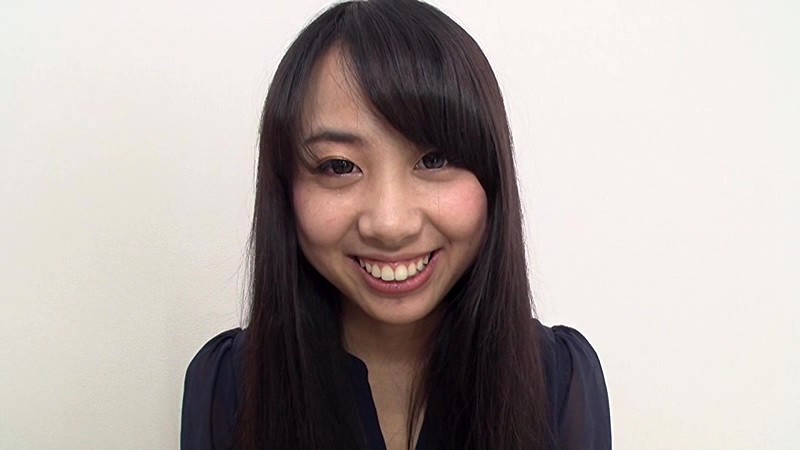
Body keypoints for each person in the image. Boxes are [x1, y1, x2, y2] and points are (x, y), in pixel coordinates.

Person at [181, 1, 611, 449]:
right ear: (285, 187)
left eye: (434, 160)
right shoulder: (226, 387)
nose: (390, 224)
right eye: (339, 166)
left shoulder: (560, 381)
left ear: (491, 175)